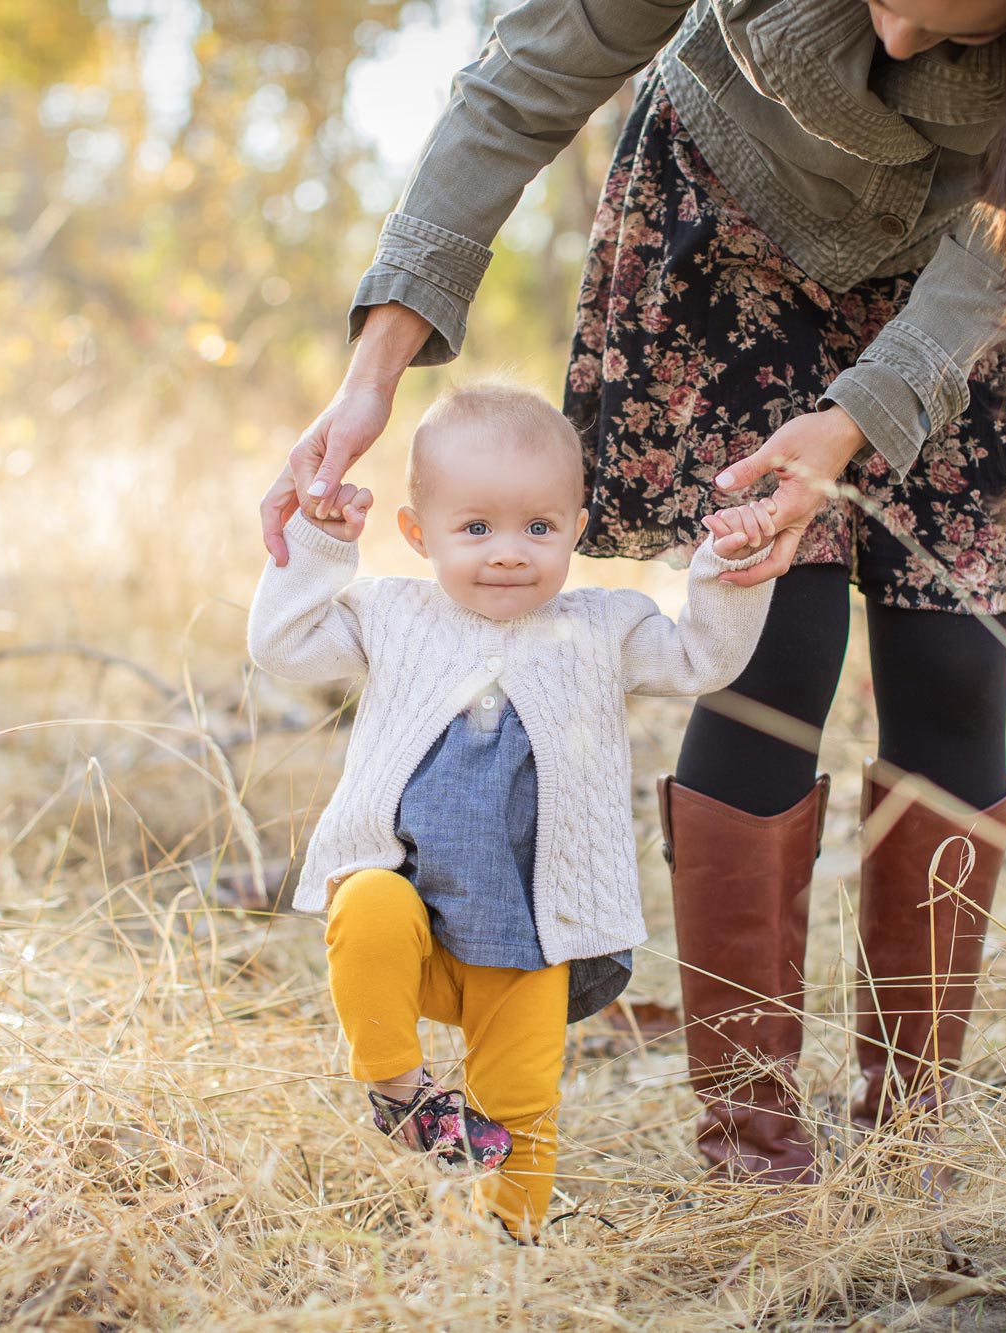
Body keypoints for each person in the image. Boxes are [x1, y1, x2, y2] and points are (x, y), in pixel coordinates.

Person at [259, 0, 1006, 1190]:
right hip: (729, 240)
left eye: (951, 25)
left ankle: (906, 1131)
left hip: (966, 290)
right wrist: (373, 371)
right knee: (773, 647)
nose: (898, 41)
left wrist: (857, 419)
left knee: (955, 666)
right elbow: (522, 83)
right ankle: (750, 1145)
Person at [248, 383, 783, 1239]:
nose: (508, 554)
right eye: (475, 528)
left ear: (577, 527)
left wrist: (725, 569)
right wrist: (320, 544)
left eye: (539, 527)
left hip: (531, 926)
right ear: (417, 533)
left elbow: (701, 659)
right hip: (412, 914)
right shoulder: (392, 614)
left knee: (520, 1099)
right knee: (366, 905)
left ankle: (510, 1240)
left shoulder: (601, 628)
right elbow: (282, 646)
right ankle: (397, 1086)